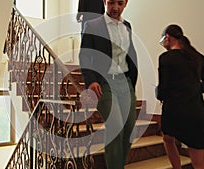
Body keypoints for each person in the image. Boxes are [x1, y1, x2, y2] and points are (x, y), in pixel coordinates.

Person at [78, 0, 138, 169]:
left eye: (120, 3)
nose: (115, 8)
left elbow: (129, 54)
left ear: (126, 3)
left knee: (129, 131)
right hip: (104, 84)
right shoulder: (93, 25)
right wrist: (91, 81)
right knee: (116, 126)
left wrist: (132, 82)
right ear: (105, 2)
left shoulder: (127, 26)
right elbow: (84, 55)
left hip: (125, 83)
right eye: (111, 2)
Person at [157, 24, 204, 169]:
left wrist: (157, 93)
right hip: (196, 112)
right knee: (199, 162)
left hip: (174, 111)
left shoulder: (166, 58)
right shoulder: (198, 57)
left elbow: (163, 90)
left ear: (168, 38)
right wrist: (192, 89)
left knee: (168, 139)